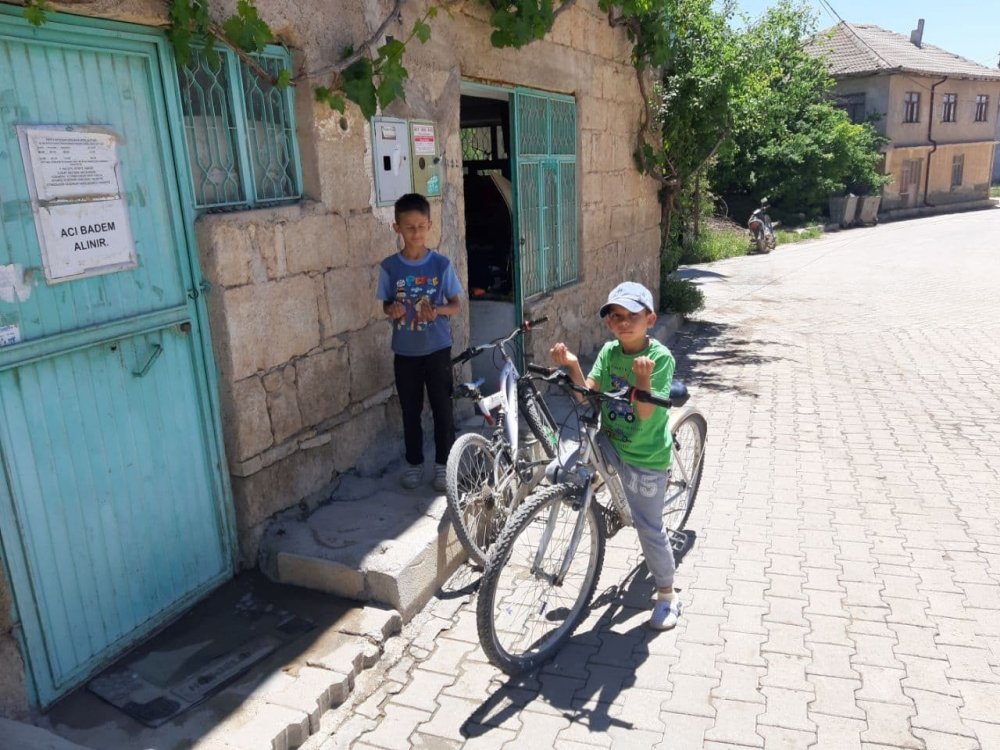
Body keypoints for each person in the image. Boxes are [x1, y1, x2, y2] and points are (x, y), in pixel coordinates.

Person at [550, 281, 682, 630]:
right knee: (567, 463)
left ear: (650, 319)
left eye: (630, 316)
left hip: (645, 456)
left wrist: (643, 383)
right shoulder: (609, 353)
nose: (621, 322)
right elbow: (587, 398)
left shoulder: (659, 359)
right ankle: (597, 496)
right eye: (614, 317)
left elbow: (645, 416)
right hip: (610, 441)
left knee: (648, 527)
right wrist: (573, 366)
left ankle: (668, 595)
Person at [376, 193, 463, 492]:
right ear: (396, 228)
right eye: (409, 227)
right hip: (405, 351)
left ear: (429, 225)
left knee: (442, 408)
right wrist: (393, 309)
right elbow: (386, 305)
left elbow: (455, 305)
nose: (416, 233)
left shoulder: (440, 264)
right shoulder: (390, 267)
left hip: (437, 348)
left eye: (421, 226)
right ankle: (414, 464)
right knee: (410, 410)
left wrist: (437, 310)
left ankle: (444, 465)